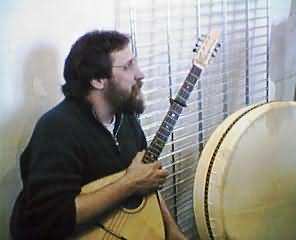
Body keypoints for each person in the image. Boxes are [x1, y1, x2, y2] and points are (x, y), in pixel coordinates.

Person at [10, 30, 186, 239]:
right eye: (128, 66)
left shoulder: (126, 118)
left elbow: (145, 179)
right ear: (97, 80)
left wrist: (172, 231)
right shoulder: (56, 129)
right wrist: (129, 184)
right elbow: (52, 216)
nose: (140, 74)